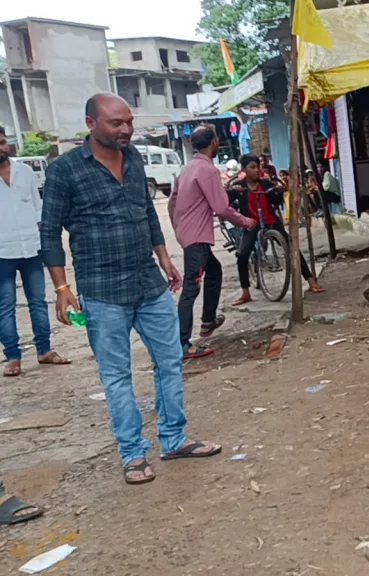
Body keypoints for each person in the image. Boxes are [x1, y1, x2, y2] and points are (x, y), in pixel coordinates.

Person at [41, 93, 222, 485]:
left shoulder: (136, 158)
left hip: (147, 281)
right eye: (115, 123)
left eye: (128, 122)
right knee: (117, 375)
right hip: (102, 289)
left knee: (170, 359)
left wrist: (165, 258)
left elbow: (145, 212)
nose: (125, 129)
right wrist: (61, 288)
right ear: (91, 124)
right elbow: (49, 232)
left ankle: (174, 439)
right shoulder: (65, 171)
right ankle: (133, 454)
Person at [168, 124, 256, 360]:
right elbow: (221, 208)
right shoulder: (207, 170)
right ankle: (181, 343)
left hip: (190, 234)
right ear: (215, 142)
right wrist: (245, 222)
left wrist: (179, 227)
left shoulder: (187, 169)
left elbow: (172, 203)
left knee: (214, 271)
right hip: (196, 237)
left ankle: (208, 321)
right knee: (191, 287)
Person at [0, 126, 70, 377]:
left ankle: (44, 350)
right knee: (5, 305)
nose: (1, 148)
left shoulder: (25, 171)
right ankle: (13, 356)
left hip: (31, 247)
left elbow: (38, 208)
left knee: (38, 302)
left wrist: (45, 239)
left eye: (2, 142)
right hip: (2, 253)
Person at [228, 154, 324, 306]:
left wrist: (278, 191)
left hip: (271, 221)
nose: (256, 170)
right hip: (251, 224)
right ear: (244, 169)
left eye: (257, 167)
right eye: (252, 167)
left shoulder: (265, 184)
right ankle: (245, 292)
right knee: (242, 255)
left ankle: (311, 280)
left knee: (292, 247)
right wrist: (233, 191)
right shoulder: (239, 186)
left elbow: (276, 199)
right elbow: (227, 201)